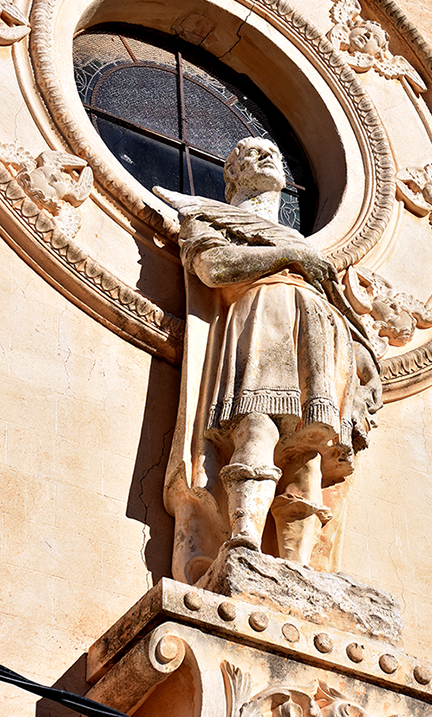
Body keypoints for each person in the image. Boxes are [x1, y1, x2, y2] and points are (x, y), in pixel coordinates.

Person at [155, 138, 381, 581]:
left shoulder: (299, 244)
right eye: (250, 153)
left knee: (307, 452)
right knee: (257, 427)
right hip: (260, 320)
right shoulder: (208, 217)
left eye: (273, 153)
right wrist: (288, 256)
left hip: (316, 340)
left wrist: (363, 360)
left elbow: (338, 305)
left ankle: (299, 570)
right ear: (231, 173)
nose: (268, 157)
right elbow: (214, 268)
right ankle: (243, 541)